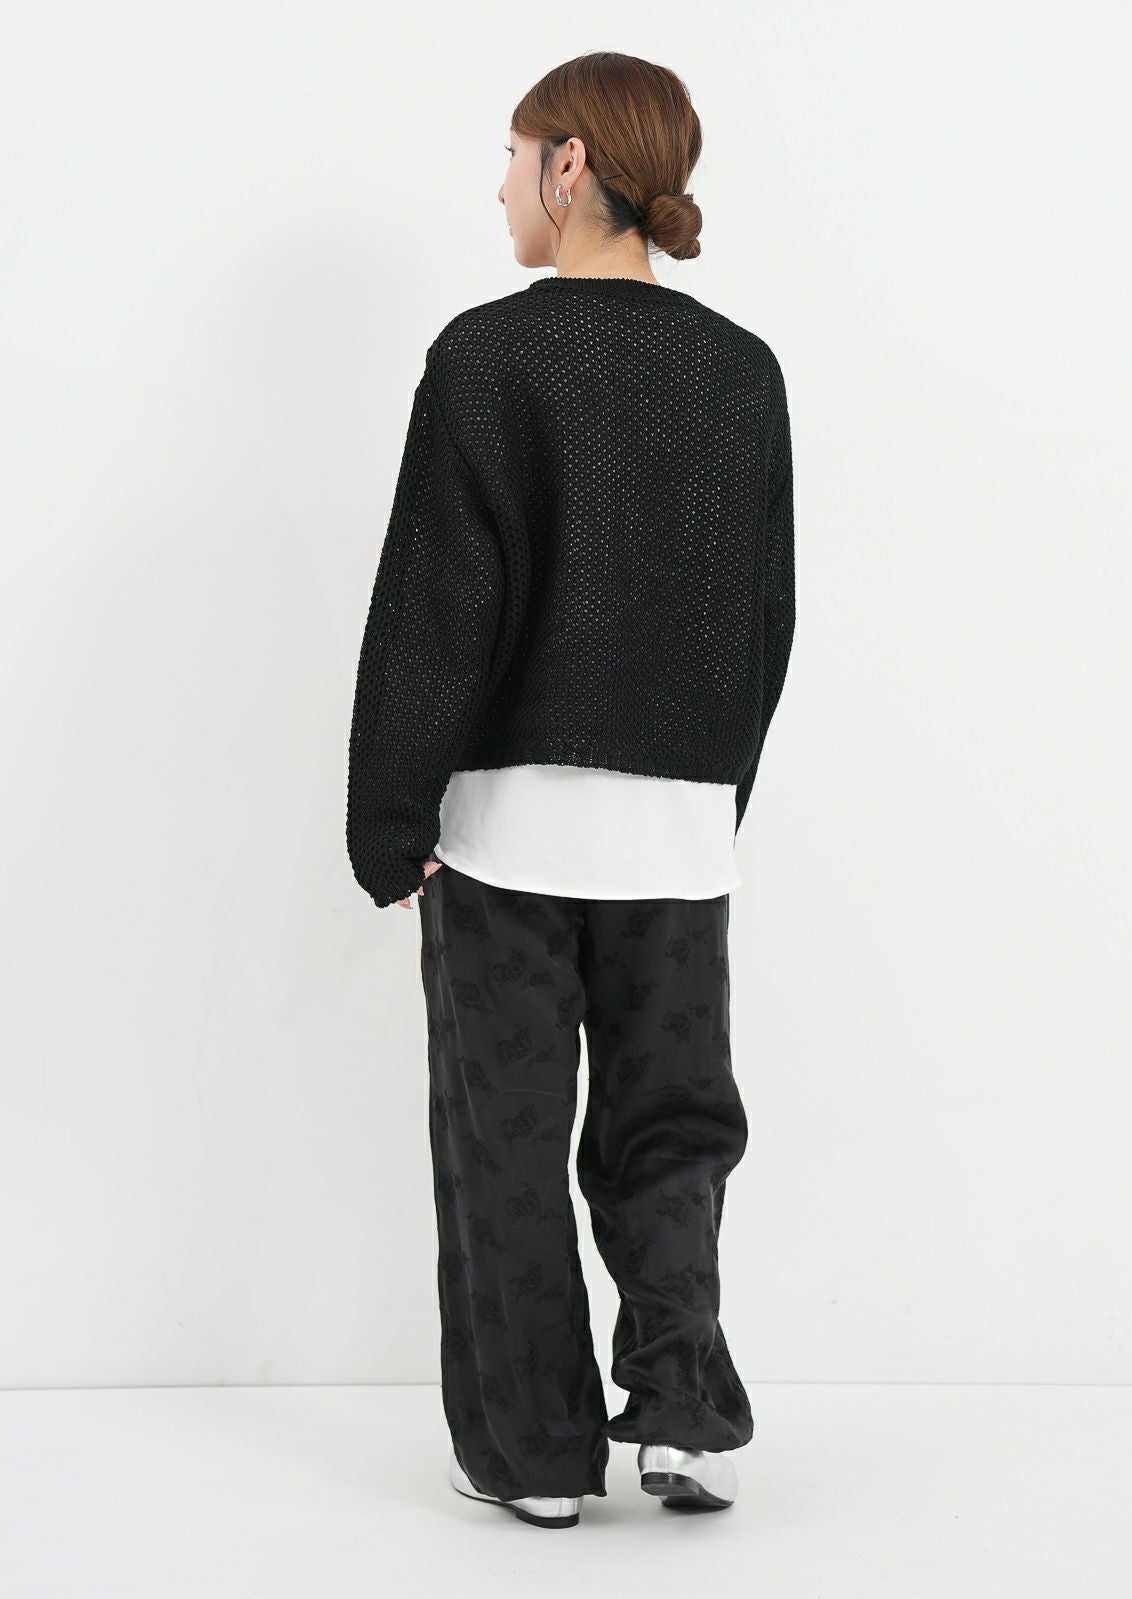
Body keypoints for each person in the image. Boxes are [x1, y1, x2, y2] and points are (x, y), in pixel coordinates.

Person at [346, 50, 795, 1531]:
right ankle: (683, 1421)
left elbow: (437, 612)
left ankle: (537, 1456)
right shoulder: (741, 373)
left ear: (569, 165)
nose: (498, 188)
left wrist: (389, 821)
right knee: (674, 1131)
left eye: (512, 154)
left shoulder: (488, 356)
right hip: (677, 836)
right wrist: (711, 799)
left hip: (506, 839)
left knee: (507, 1143)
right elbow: (766, 622)